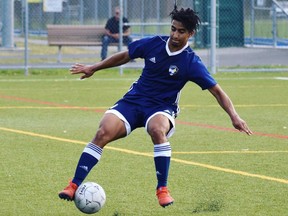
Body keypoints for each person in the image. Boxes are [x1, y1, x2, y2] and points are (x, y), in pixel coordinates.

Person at [59, 7, 252, 208]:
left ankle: (162, 189)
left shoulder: (191, 62)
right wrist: (94, 67)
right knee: (102, 132)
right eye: (173, 29)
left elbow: (217, 91)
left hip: (161, 107)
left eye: (181, 31)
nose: (175, 35)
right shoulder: (154, 43)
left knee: (157, 130)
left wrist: (234, 116)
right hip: (134, 101)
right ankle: (73, 185)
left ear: (191, 34)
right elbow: (125, 55)